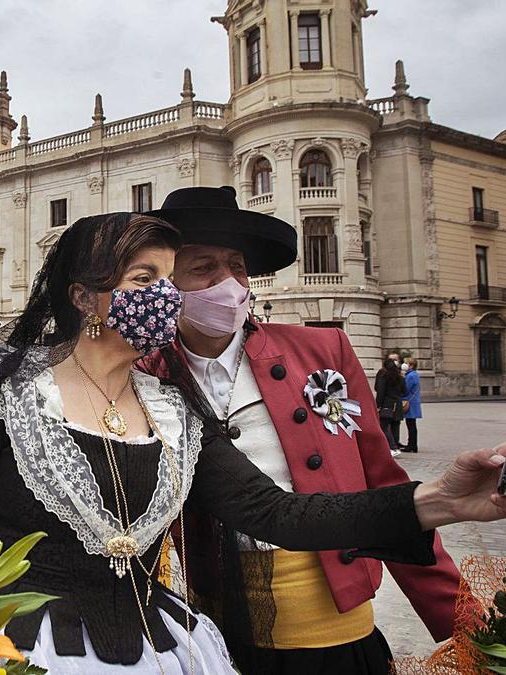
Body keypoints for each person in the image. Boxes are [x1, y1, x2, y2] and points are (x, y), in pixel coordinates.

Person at [0, 210, 506, 674]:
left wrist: (435, 499)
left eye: (168, 281)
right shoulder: (11, 387)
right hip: (27, 649)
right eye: (147, 281)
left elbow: (279, 512)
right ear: (87, 298)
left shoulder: (174, 407)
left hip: (162, 647)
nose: (167, 299)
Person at [139, 187, 463, 674]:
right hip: (207, 631)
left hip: (332, 625)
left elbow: (383, 484)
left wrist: (464, 624)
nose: (227, 283)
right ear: (166, 281)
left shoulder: (322, 350)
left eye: (238, 266)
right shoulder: (142, 375)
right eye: (204, 267)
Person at [374, 357, 407, 455]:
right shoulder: (400, 377)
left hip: (387, 404)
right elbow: (404, 391)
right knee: (395, 426)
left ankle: (392, 447)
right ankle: (396, 446)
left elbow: (380, 392)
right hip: (397, 404)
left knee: (384, 426)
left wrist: (377, 405)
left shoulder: (384, 376)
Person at [402, 357, 422, 453]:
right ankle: (412, 445)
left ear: (411, 365)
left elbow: (405, 389)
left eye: (406, 363)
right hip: (413, 402)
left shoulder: (410, 376)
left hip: (410, 402)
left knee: (411, 425)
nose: (404, 364)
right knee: (411, 424)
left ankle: (411, 445)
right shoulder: (414, 374)